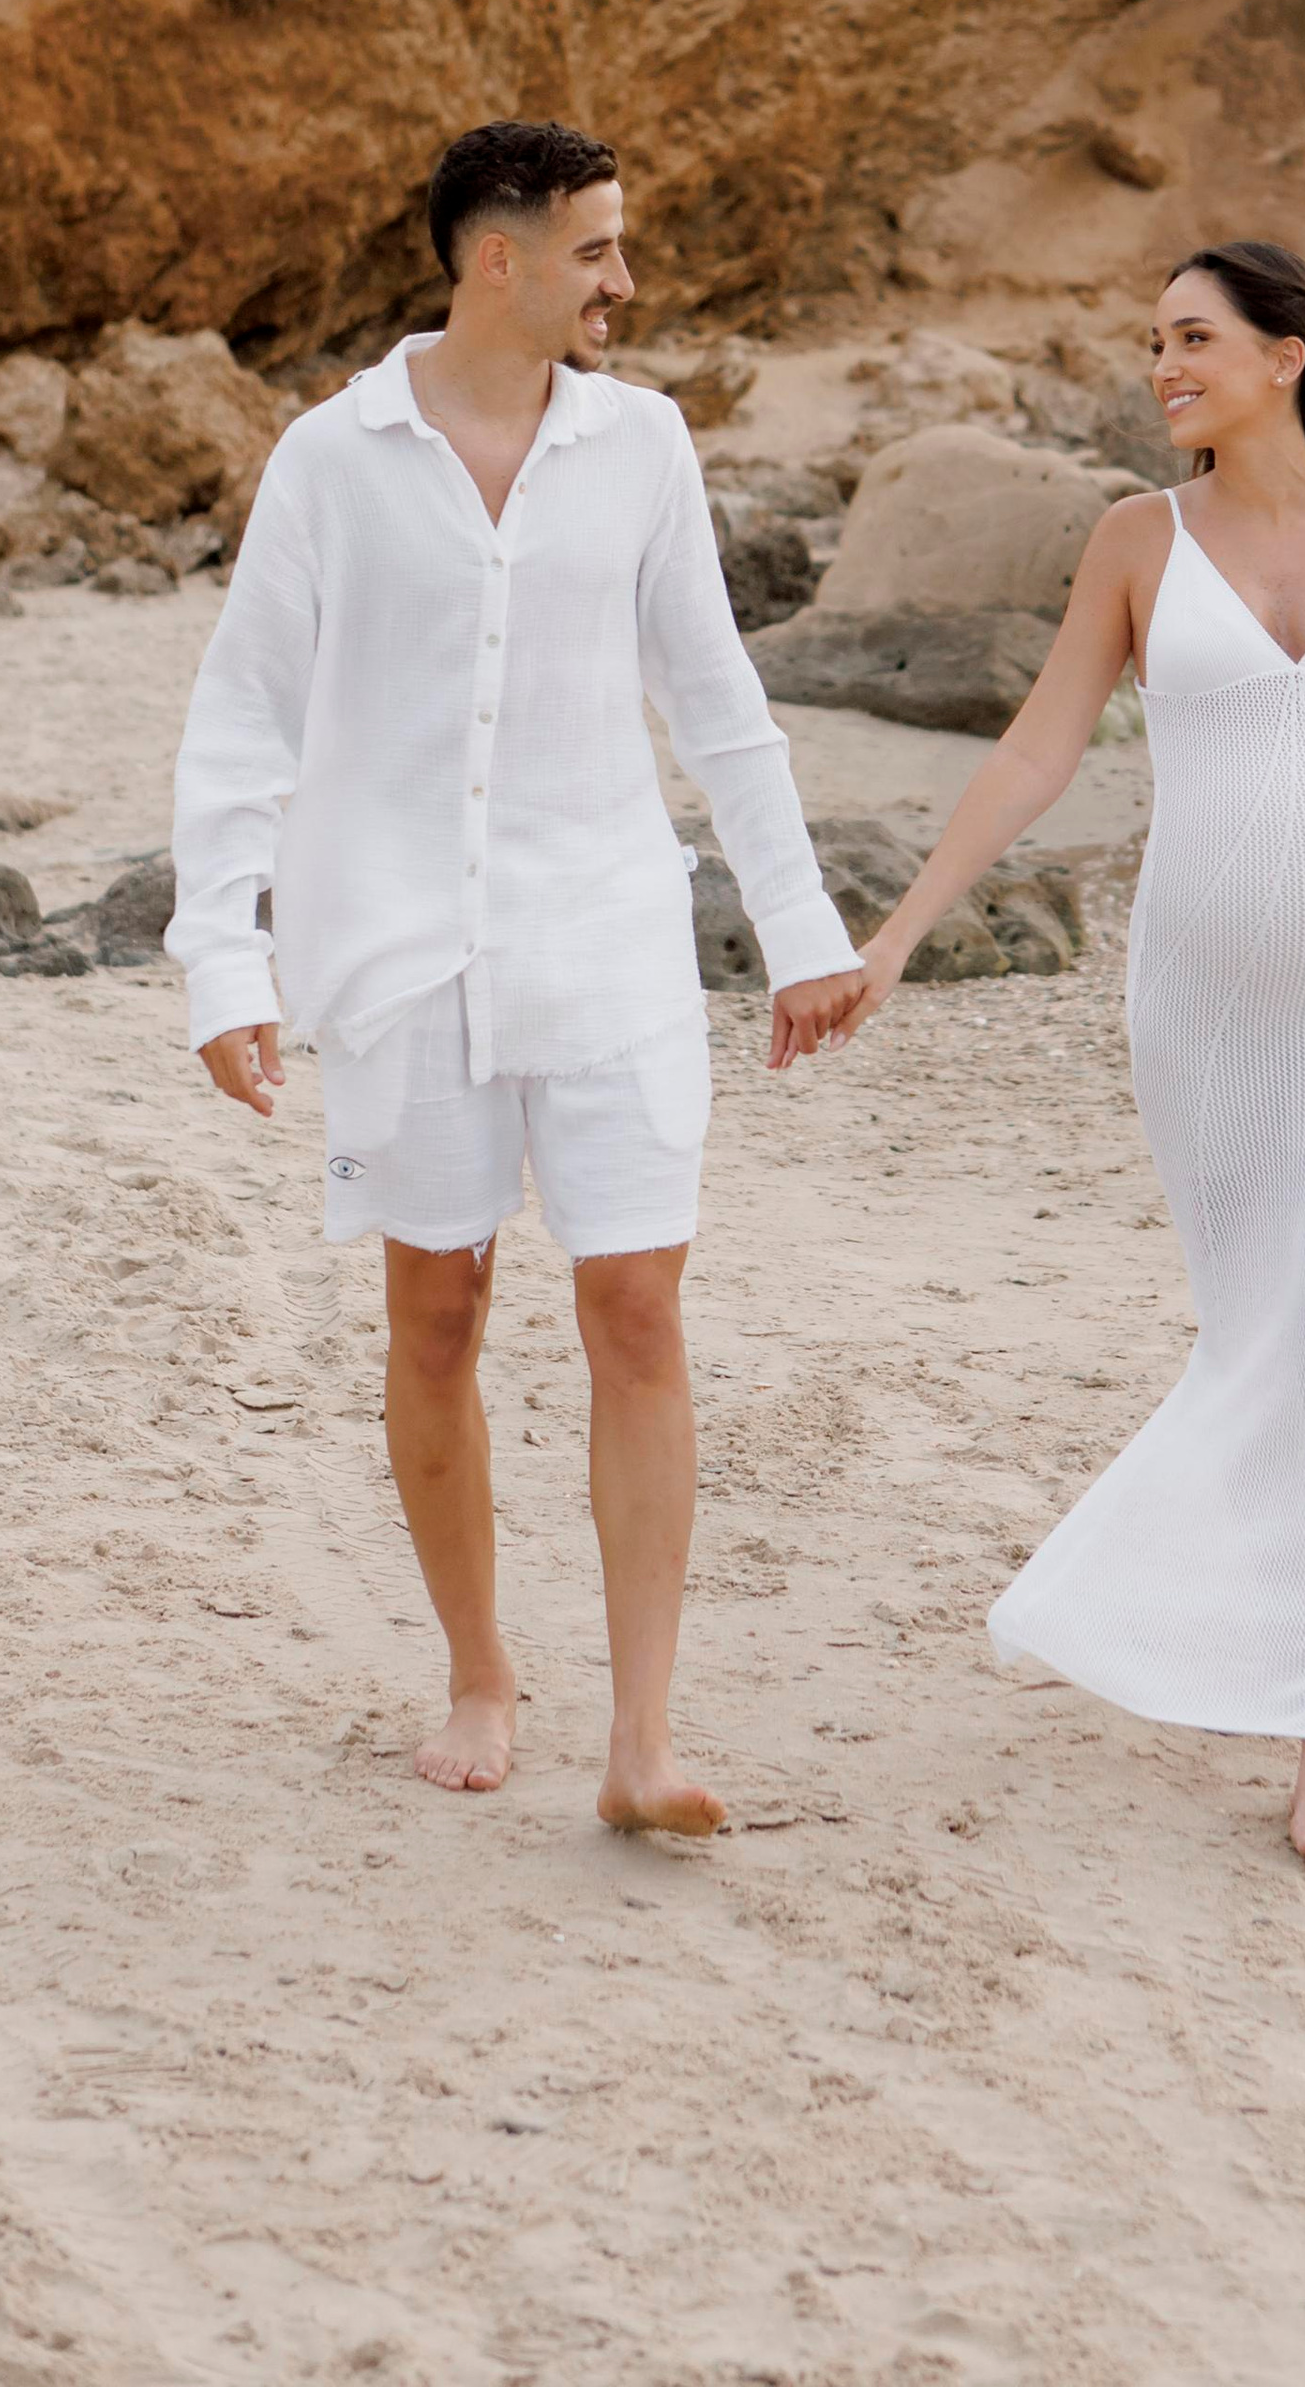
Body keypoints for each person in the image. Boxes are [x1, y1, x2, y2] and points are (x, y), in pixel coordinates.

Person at [168, 120, 863, 1829]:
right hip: (404, 957)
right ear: (504, 257)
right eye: (600, 250)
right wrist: (222, 958)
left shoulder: (644, 447)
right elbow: (243, 716)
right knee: (440, 1311)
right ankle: (480, 1667)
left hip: (609, 934)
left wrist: (806, 931)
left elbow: (716, 699)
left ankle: (643, 1739)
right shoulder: (333, 460)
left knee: (635, 1309)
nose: (625, 281)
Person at [843, 240, 1305, 1864]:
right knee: (1248, 1340)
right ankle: (1210, 1620)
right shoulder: (1139, 543)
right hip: (1202, 1013)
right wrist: (902, 927)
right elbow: (1041, 748)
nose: (1164, 367)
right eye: (1153, 342)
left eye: (1193, 339)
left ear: (1287, 357)